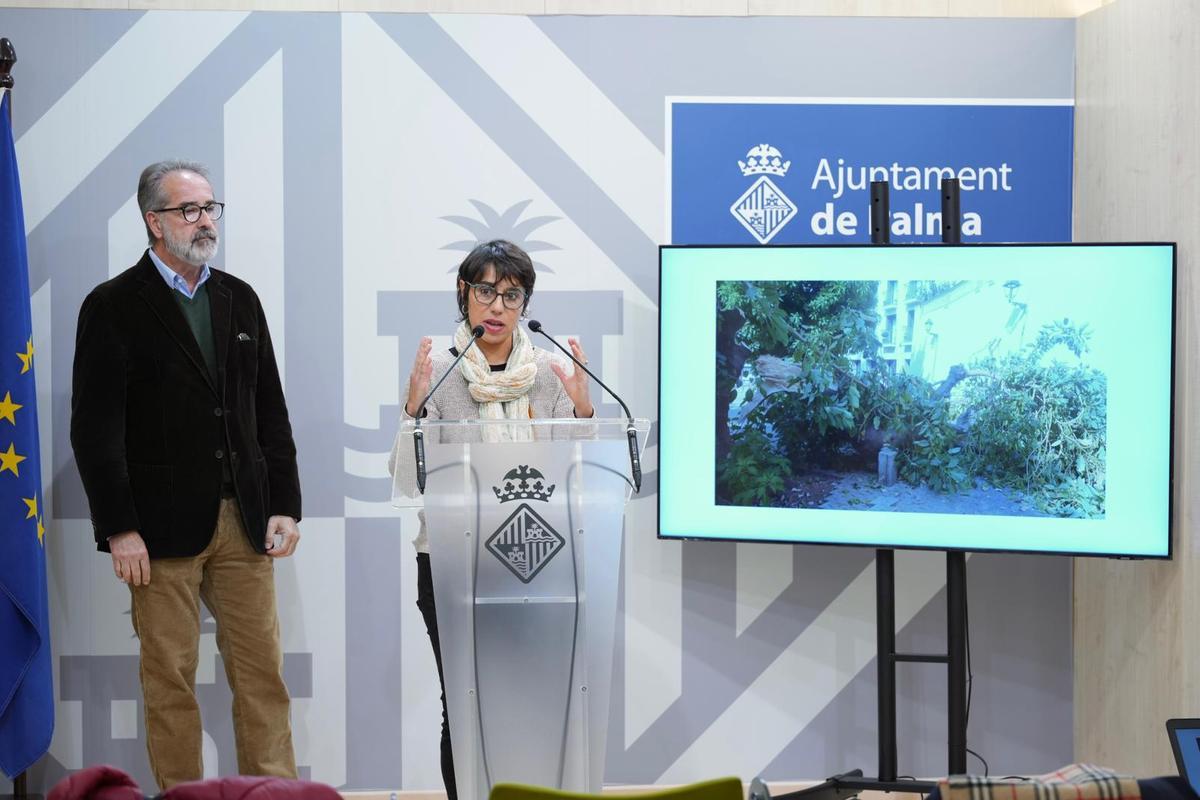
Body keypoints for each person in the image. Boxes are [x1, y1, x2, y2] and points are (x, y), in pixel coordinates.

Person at [70, 160, 302, 790]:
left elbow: (268, 408)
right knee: (169, 680)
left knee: (263, 676)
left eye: (210, 208)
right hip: (158, 529)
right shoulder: (113, 305)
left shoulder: (238, 296)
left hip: (245, 522)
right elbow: (94, 432)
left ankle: (272, 794)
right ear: (154, 220)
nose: (205, 221)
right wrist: (119, 528)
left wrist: (284, 502)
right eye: (189, 210)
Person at [387, 240, 593, 800]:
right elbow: (407, 481)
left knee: (535, 700)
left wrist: (582, 411)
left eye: (511, 294)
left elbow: (581, 482)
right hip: (453, 563)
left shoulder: (551, 372)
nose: (497, 306)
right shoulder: (441, 371)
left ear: (525, 302)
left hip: (538, 559)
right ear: (464, 294)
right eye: (486, 291)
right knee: (465, 701)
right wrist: (412, 410)